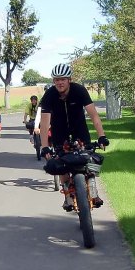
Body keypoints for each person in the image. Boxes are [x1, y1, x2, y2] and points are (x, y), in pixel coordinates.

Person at [37, 63, 109, 211]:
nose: (60, 83)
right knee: (61, 161)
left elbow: (94, 115)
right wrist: (44, 147)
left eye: (63, 79)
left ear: (69, 79)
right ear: (53, 81)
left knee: (89, 158)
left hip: (80, 130)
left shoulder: (79, 90)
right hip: (59, 132)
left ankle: (93, 191)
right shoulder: (49, 95)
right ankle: (68, 196)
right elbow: (44, 123)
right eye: (57, 80)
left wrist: (101, 136)